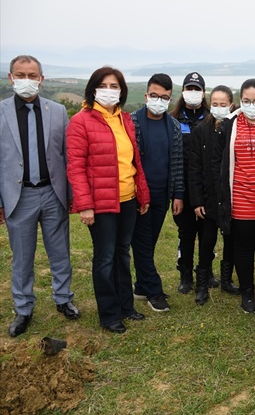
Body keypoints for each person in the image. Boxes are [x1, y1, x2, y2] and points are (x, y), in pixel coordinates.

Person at [67, 66, 150, 333]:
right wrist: (85, 205)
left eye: (115, 87)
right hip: (100, 202)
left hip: (127, 198)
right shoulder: (81, 121)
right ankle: (110, 314)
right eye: (105, 85)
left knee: (122, 254)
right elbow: (76, 167)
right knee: (104, 258)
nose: (110, 91)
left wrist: (141, 194)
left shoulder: (124, 119)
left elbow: (134, 160)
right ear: (93, 89)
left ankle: (126, 306)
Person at [1, 55, 78, 337]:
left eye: (32, 75)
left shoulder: (57, 112)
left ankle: (64, 299)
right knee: (22, 258)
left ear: (41, 79)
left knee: (60, 253)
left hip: (52, 193)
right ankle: (23, 309)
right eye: (21, 75)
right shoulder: (1, 112)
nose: (27, 80)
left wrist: (70, 194)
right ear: (11, 78)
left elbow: (67, 157)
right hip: (18, 197)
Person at [216, 79, 255, 313]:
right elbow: (219, 163)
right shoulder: (229, 124)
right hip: (240, 199)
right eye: (246, 101)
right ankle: (246, 291)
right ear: (239, 100)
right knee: (242, 249)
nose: (251, 105)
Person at [130, 73, 183, 312]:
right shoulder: (131, 122)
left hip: (162, 194)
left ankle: (141, 286)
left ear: (170, 99)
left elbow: (178, 163)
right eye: (154, 96)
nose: (158, 101)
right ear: (146, 95)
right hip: (138, 195)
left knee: (149, 242)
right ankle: (153, 290)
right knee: (141, 243)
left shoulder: (172, 125)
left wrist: (178, 194)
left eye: (164, 97)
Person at [190, 85, 240, 303]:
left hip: (230, 196)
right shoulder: (200, 130)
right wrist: (197, 200)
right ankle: (201, 284)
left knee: (230, 240)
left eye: (223, 104)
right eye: (215, 104)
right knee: (206, 241)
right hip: (208, 196)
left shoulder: (235, 127)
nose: (219, 108)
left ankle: (227, 279)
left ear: (231, 104)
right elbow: (194, 168)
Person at [170, 72, 217, 294]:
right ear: (182, 92)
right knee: (186, 234)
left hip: (206, 188)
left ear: (203, 93)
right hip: (183, 187)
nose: (193, 93)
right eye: (189, 88)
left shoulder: (211, 118)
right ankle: (185, 275)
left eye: (197, 89)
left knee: (207, 234)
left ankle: (206, 272)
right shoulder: (173, 119)